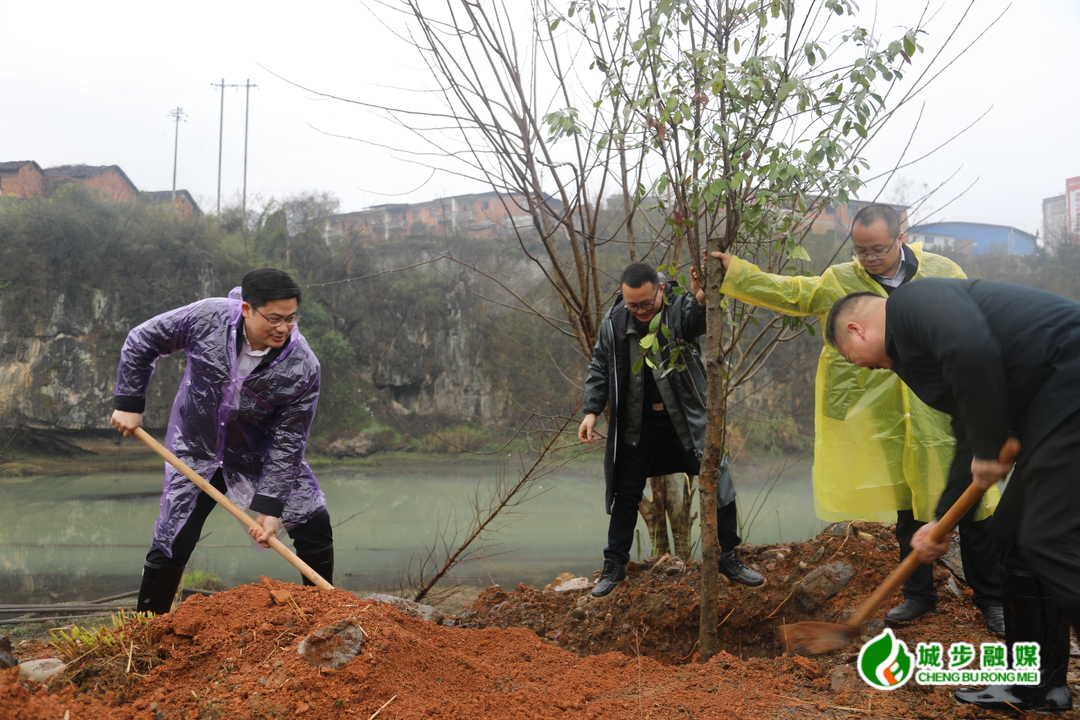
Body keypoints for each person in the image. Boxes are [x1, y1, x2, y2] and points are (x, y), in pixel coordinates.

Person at [710, 204, 1003, 634]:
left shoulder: (943, 271)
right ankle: (919, 596)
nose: (868, 258)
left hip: (941, 409)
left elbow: (976, 325)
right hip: (886, 419)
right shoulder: (840, 281)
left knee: (973, 507)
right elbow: (793, 293)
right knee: (909, 512)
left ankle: (992, 598)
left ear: (901, 237)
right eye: (860, 250)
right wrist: (736, 273)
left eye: (878, 249)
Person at [826, 278, 1080, 712]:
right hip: (1052, 403)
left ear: (856, 330)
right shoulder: (913, 358)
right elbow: (968, 424)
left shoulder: (913, 303)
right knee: (1014, 536)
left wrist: (986, 445)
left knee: (1047, 538)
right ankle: (1038, 688)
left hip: (1071, 379)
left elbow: (974, 352)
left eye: (854, 361)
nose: (862, 367)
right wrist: (941, 522)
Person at [110, 267, 333, 614]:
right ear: (246, 309)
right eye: (273, 318)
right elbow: (143, 339)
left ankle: (323, 615)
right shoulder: (207, 317)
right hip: (196, 449)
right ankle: (145, 628)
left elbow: (288, 441)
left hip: (255, 454)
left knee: (313, 521)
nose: (283, 328)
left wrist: (271, 507)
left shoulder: (302, 367)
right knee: (173, 537)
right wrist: (128, 403)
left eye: (291, 318)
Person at [579, 262, 764, 598]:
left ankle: (728, 556)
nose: (638, 312)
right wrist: (591, 412)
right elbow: (599, 367)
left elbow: (698, 320)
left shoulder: (679, 308)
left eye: (646, 304)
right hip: (638, 424)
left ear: (660, 290)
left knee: (717, 479)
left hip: (685, 420)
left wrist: (704, 294)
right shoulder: (614, 321)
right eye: (631, 305)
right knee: (626, 489)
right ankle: (615, 564)